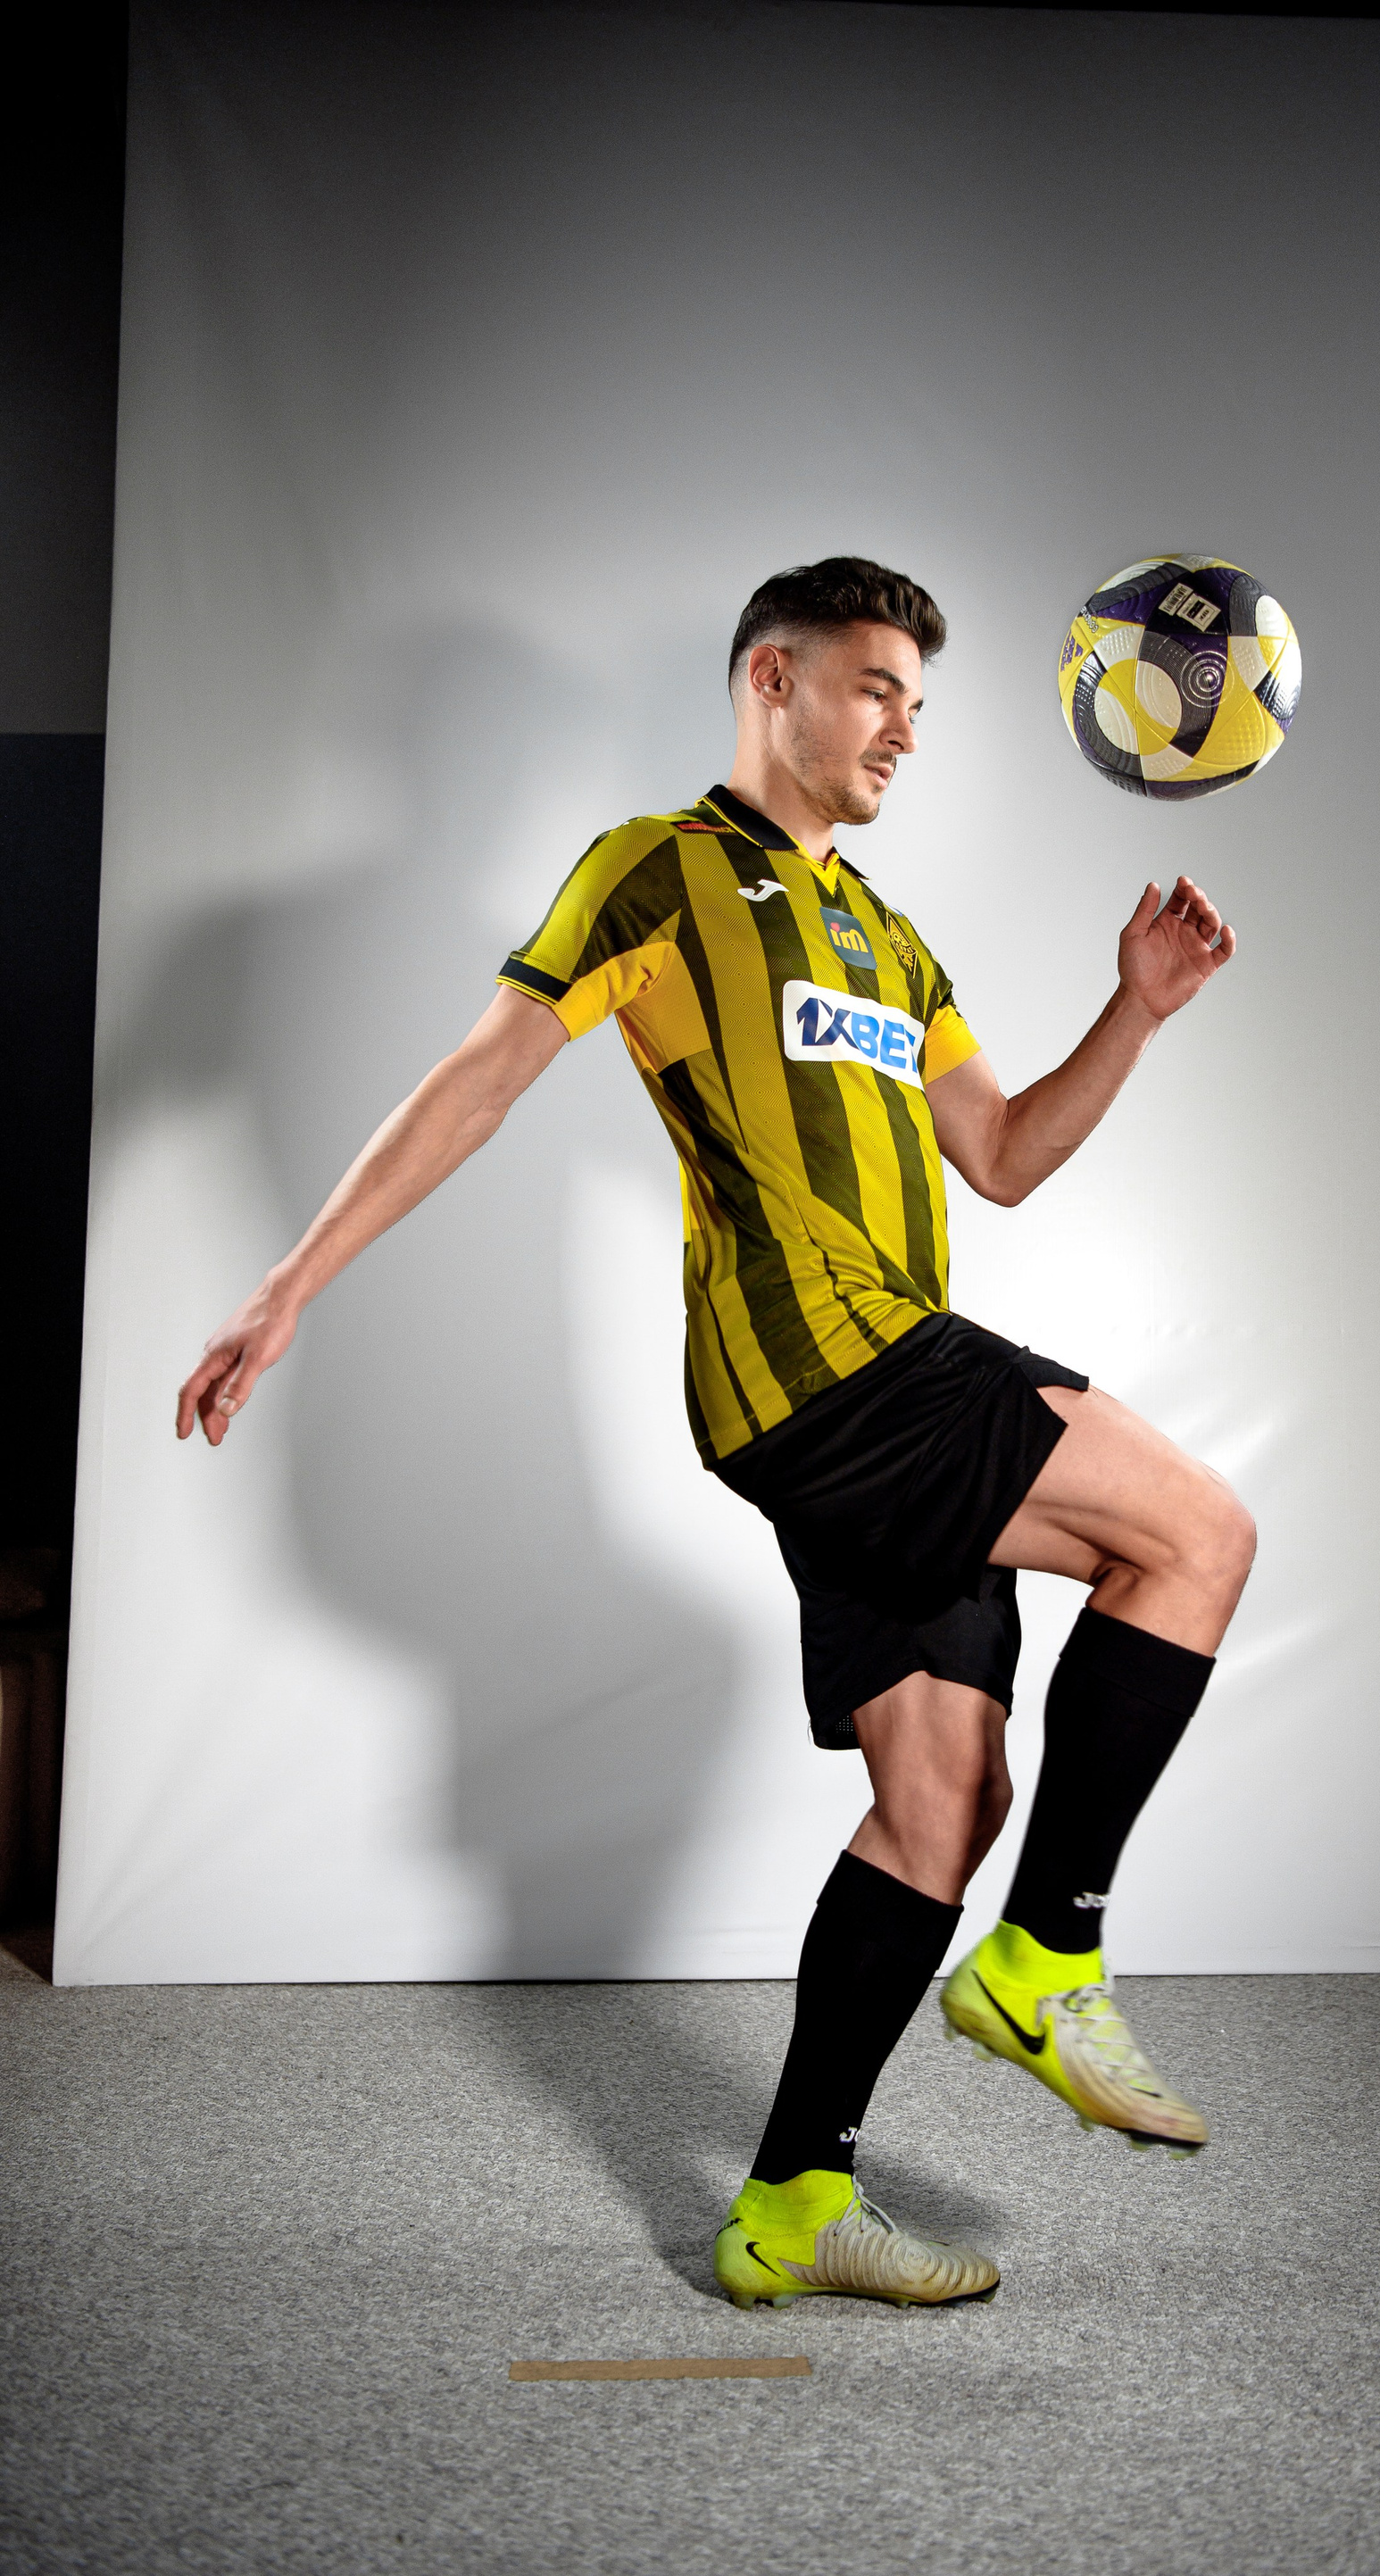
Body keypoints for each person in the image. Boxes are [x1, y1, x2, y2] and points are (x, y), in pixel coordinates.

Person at [177, 557, 1253, 2312]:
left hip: (864, 1392)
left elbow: (1003, 1155)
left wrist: (1134, 1006)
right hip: (834, 1371)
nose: (904, 728)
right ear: (774, 679)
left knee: (941, 1803)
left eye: (919, 702)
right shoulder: (656, 869)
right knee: (1200, 1532)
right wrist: (291, 1284)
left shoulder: (889, 935)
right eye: (877, 686)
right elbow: (484, 1073)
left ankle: (791, 2204)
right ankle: (1051, 1955)